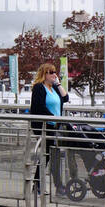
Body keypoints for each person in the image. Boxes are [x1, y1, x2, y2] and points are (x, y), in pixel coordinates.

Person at [28, 62, 70, 192]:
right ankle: (39, 184)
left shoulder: (54, 88)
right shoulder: (39, 87)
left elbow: (66, 98)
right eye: (51, 72)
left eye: (55, 72)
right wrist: (53, 117)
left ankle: (53, 185)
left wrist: (58, 84)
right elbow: (39, 107)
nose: (54, 74)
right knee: (46, 155)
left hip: (54, 125)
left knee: (53, 155)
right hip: (44, 126)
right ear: (44, 74)